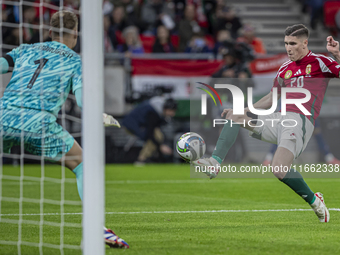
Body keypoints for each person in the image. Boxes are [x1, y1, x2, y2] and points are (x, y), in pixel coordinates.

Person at [0, 10, 129, 248]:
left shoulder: (26, 49)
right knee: (83, 164)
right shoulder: (74, 60)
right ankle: (95, 227)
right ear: (76, 34)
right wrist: (98, 115)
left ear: (50, 31)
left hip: (3, 117)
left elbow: (0, 65)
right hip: (38, 123)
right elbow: (81, 102)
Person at [194, 24, 340, 223]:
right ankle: (214, 163)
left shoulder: (321, 62)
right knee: (235, 116)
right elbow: (273, 97)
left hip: (300, 121)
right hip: (278, 117)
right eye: (286, 43)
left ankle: (315, 201)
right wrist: (246, 110)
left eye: (293, 44)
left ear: (305, 43)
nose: (289, 48)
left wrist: (338, 54)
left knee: (279, 169)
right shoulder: (285, 68)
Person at [122, 97, 177, 165]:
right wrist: (160, 147)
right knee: (154, 139)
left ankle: (146, 159)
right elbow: (150, 133)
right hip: (131, 125)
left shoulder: (157, 110)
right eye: (172, 111)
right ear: (166, 108)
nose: (173, 114)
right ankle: (140, 161)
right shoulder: (153, 112)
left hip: (135, 125)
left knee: (157, 137)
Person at [263, 119, 340, 166]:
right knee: (281, 135)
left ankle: (329, 158)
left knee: (317, 133)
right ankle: (269, 159)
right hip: (290, 110)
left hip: (307, 110)